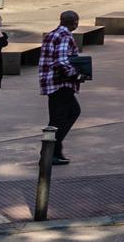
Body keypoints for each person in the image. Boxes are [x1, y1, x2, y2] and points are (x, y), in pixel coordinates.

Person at [38, 10, 82, 164]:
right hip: (60, 84)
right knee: (59, 119)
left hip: (51, 83)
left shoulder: (52, 34)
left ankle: (55, 149)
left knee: (69, 113)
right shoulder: (65, 36)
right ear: (75, 23)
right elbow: (61, 61)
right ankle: (49, 153)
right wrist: (76, 74)